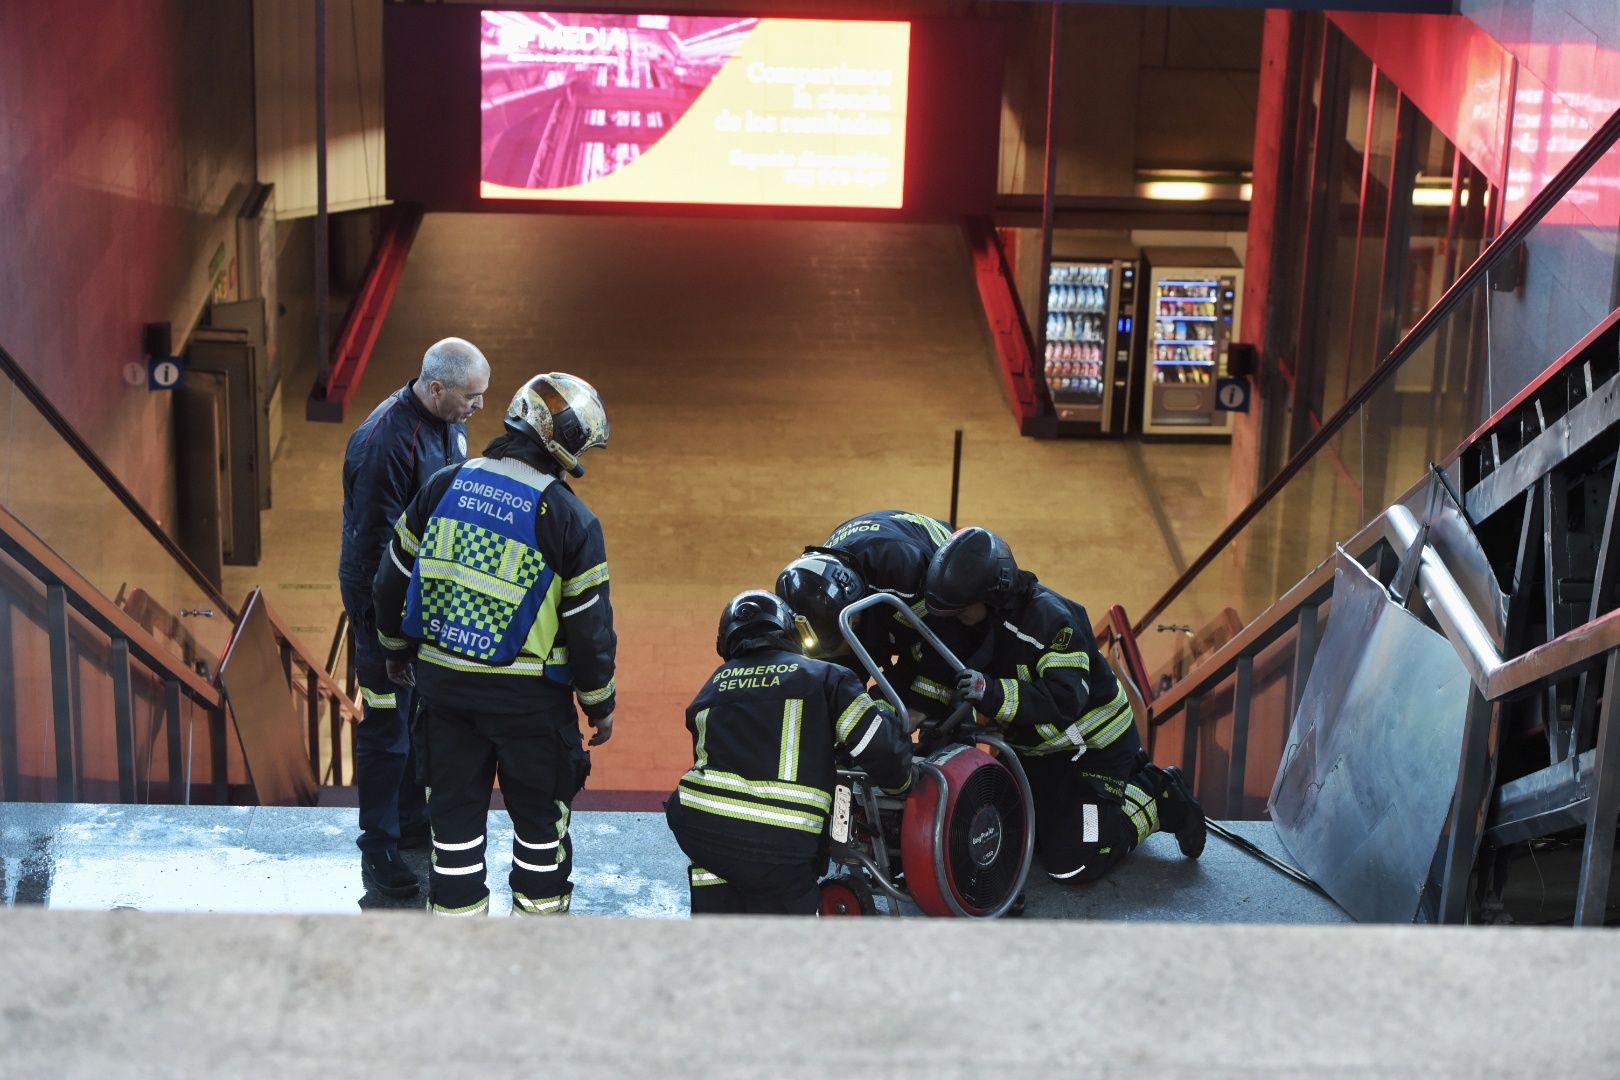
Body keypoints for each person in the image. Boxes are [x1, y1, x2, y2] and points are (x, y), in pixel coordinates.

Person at [372, 372, 615, 917]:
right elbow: (589, 628)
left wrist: (394, 650)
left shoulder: (443, 485)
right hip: (529, 704)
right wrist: (600, 704)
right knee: (539, 833)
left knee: (453, 833)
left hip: (443, 693)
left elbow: (390, 578)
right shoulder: (569, 518)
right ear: (567, 445)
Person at [920, 526, 1206, 885]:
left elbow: (1064, 700)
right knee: (1013, 838)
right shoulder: (976, 624)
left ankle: (1156, 794)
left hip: (1093, 751)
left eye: (962, 610)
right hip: (1041, 752)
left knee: (1072, 860)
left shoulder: (1051, 623)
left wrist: (991, 692)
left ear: (993, 596)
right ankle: (1100, 798)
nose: (955, 618)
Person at [339, 337, 490, 898]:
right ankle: (378, 846)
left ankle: (408, 821)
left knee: (413, 723)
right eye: (471, 397)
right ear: (436, 388)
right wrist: (389, 638)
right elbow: (371, 553)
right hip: (383, 611)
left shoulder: (448, 419)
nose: (478, 407)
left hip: (418, 605)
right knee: (384, 729)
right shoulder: (384, 446)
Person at [666, 590, 913, 915]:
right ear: (789, 632)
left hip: (699, 830)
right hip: (782, 845)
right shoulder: (826, 677)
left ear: (727, 643)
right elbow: (881, 751)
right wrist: (903, 784)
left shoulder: (710, 689)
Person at [775, 510, 952, 672]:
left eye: (852, 622)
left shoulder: (904, 571)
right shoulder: (825, 576)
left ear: (854, 597)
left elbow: (942, 637)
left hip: (946, 589)